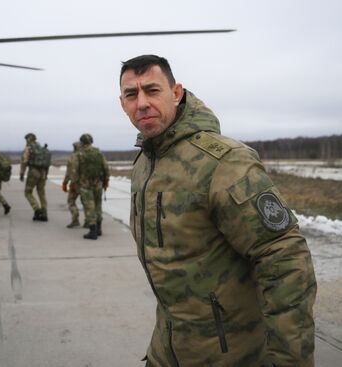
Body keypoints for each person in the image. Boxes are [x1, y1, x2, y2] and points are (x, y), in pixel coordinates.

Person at [119, 55, 316, 366]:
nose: (142, 103)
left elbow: (284, 258)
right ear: (122, 102)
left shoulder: (223, 162)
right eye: (132, 94)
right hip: (167, 348)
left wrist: (290, 360)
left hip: (229, 354)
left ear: (176, 92)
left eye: (152, 90)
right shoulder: (145, 163)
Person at [70, 134, 109, 240]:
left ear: (82, 142)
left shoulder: (79, 154)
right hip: (98, 183)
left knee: (89, 207)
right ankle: (99, 229)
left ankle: (93, 231)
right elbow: (105, 167)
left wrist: (73, 183)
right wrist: (106, 180)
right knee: (98, 205)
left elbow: (74, 170)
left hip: (85, 185)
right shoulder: (98, 152)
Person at [20, 133, 50, 221]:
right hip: (43, 173)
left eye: (26, 139)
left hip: (33, 172)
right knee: (41, 193)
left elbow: (24, 161)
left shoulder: (29, 148)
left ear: (28, 139)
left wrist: (22, 173)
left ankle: (37, 209)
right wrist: (46, 175)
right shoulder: (42, 148)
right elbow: (47, 163)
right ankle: (44, 214)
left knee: (28, 192)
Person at [62, 142, 83, 228]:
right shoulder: (86, 156)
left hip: (76, 183)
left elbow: (69, 172)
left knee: (71, 201)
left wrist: (65, 183)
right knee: (87, 203)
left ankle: (75, 220)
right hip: (87, 184)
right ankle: (90, 222)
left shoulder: (74, 157)